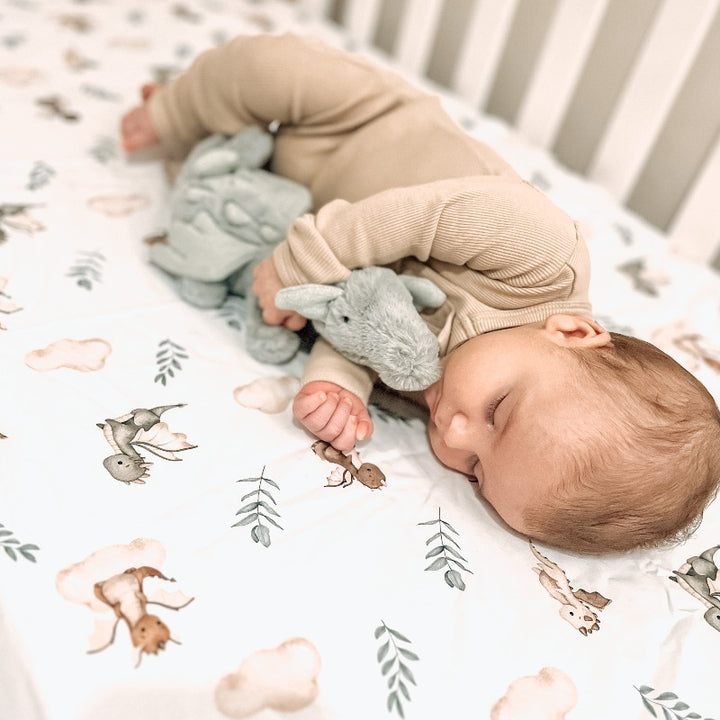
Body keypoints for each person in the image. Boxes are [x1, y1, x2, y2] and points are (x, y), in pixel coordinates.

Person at [121, 33, 720, 554]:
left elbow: (361, 316)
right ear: (572, 334)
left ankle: (203, 145)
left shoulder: (446, 385)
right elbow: (422, 214)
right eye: (498, 413)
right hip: (346, 125)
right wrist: (304, 261)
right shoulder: (543, 257)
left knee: (212, 229)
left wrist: (339, 386)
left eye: (478, 474)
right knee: (274, 67)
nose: (454, 436)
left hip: (289, 197)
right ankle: (179, 107)